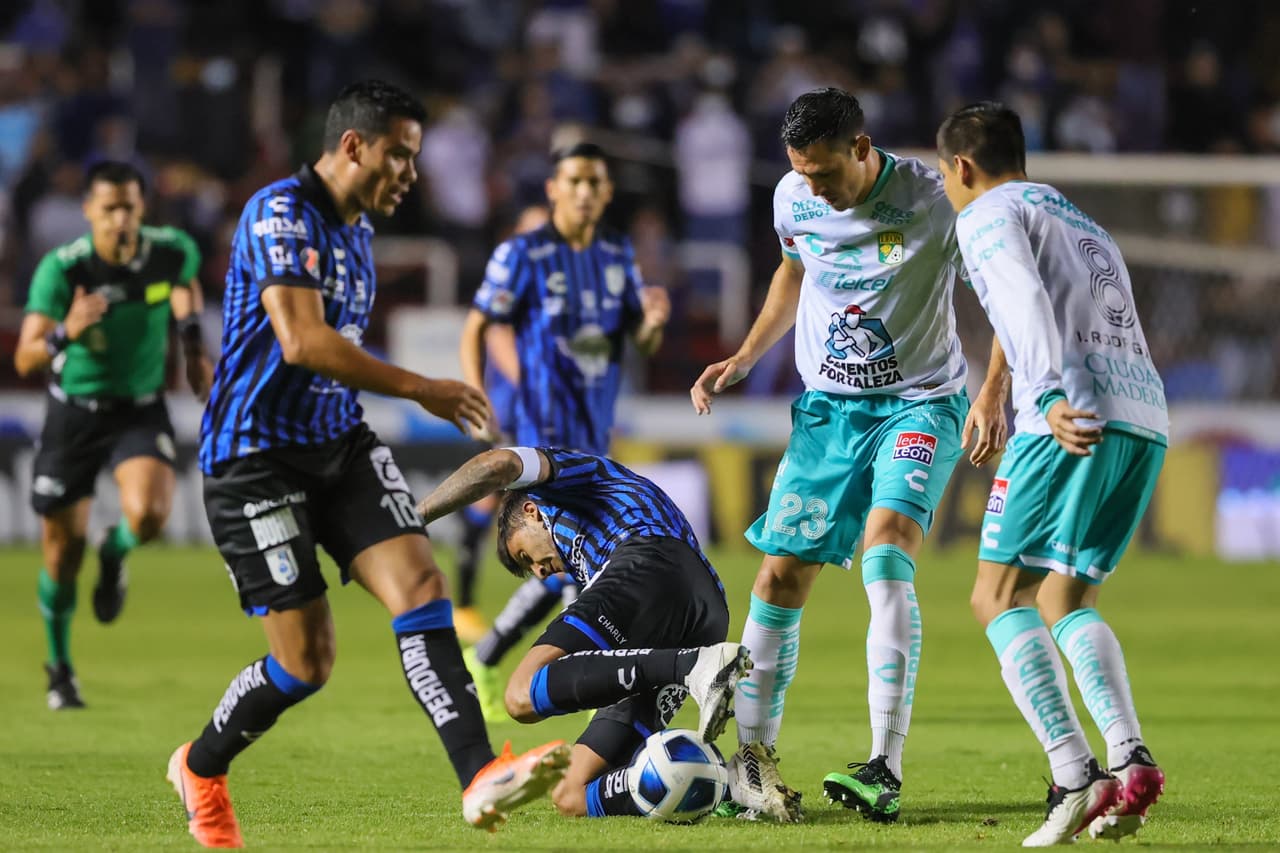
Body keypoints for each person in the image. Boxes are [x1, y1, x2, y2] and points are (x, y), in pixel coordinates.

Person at [168, 80, 568, 849]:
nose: (411, 174)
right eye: (401, 155)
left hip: (338, 442)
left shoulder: (355, 231)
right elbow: (304, 343)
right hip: (254, 458)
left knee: (422, 586)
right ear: (353, 145)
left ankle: (480, 774)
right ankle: (200, 764)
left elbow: (329, 362)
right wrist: (422, 387)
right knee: (306, 662)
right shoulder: (280, 213)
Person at [689, 87, 1007, 823]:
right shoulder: (792, 199)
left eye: (826, 173)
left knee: (887, 548)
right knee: (779, 573)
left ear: (863, 149)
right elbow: (792, 274)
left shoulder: (934, 199)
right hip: (829, 411)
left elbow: (1004, 299)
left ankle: (884, 764)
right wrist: (742, 355)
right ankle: (753, 764)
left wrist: (993, 393)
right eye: (802, 173)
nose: (815, 189)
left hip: (921, 401)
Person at [937, 101, 1166, 846]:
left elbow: (1025, 303)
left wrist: (1049, 392)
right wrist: (995, 385)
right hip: (1143, 416)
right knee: (1066, 594)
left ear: (962, 167)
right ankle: (1131, 759)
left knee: (995, 593)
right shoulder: (1075, 217)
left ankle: (1075, 774)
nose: (947, 187)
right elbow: (1036, 303)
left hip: (1069, 410)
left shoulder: (982, 216)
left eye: (945, 175)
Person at [455, 142, 671, 720]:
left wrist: (651, 322)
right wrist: (479, 400)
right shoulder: (523, 253)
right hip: (540, 438)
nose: (584, 191)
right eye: (573, 180)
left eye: (595, 182)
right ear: (553, 188)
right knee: (576, 562)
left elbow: (641, 341)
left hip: (591, 440)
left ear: (606, 192)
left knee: (573, 564)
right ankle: (603, 688)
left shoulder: (616, 254)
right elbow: (478, 325)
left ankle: (491, 655)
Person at [417, 445, 750, 818]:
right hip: (706, 612)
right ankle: (723, 784)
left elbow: (499, 463)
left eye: (525, 557)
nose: (540, 573)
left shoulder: (558, 487)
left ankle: (693, 666)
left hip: (649, 559)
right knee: (571, 795)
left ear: (530, 511)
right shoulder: (582, 565)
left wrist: (417, 515)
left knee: (520, 695)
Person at [13, 160, 213, 710]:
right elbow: (25, 355)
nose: (121, 219)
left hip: (138, 410)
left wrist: (193, 346)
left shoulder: (170, 250)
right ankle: (60, 668)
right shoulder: (64, 271)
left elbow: (183, 285)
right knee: (61, 553)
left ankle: (116, 551)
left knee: (149, 516)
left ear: (142, 207)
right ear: (89, 213)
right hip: (74, 412)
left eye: (129, 207)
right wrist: (64, 332)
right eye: (109, 209)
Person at [450, 203, 550, 645]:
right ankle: (464, 606)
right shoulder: (514, 280)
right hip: (511, 413)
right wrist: (528, 383)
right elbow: (493, 331)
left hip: (538, 415)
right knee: (485, 504)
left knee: (527, 507)